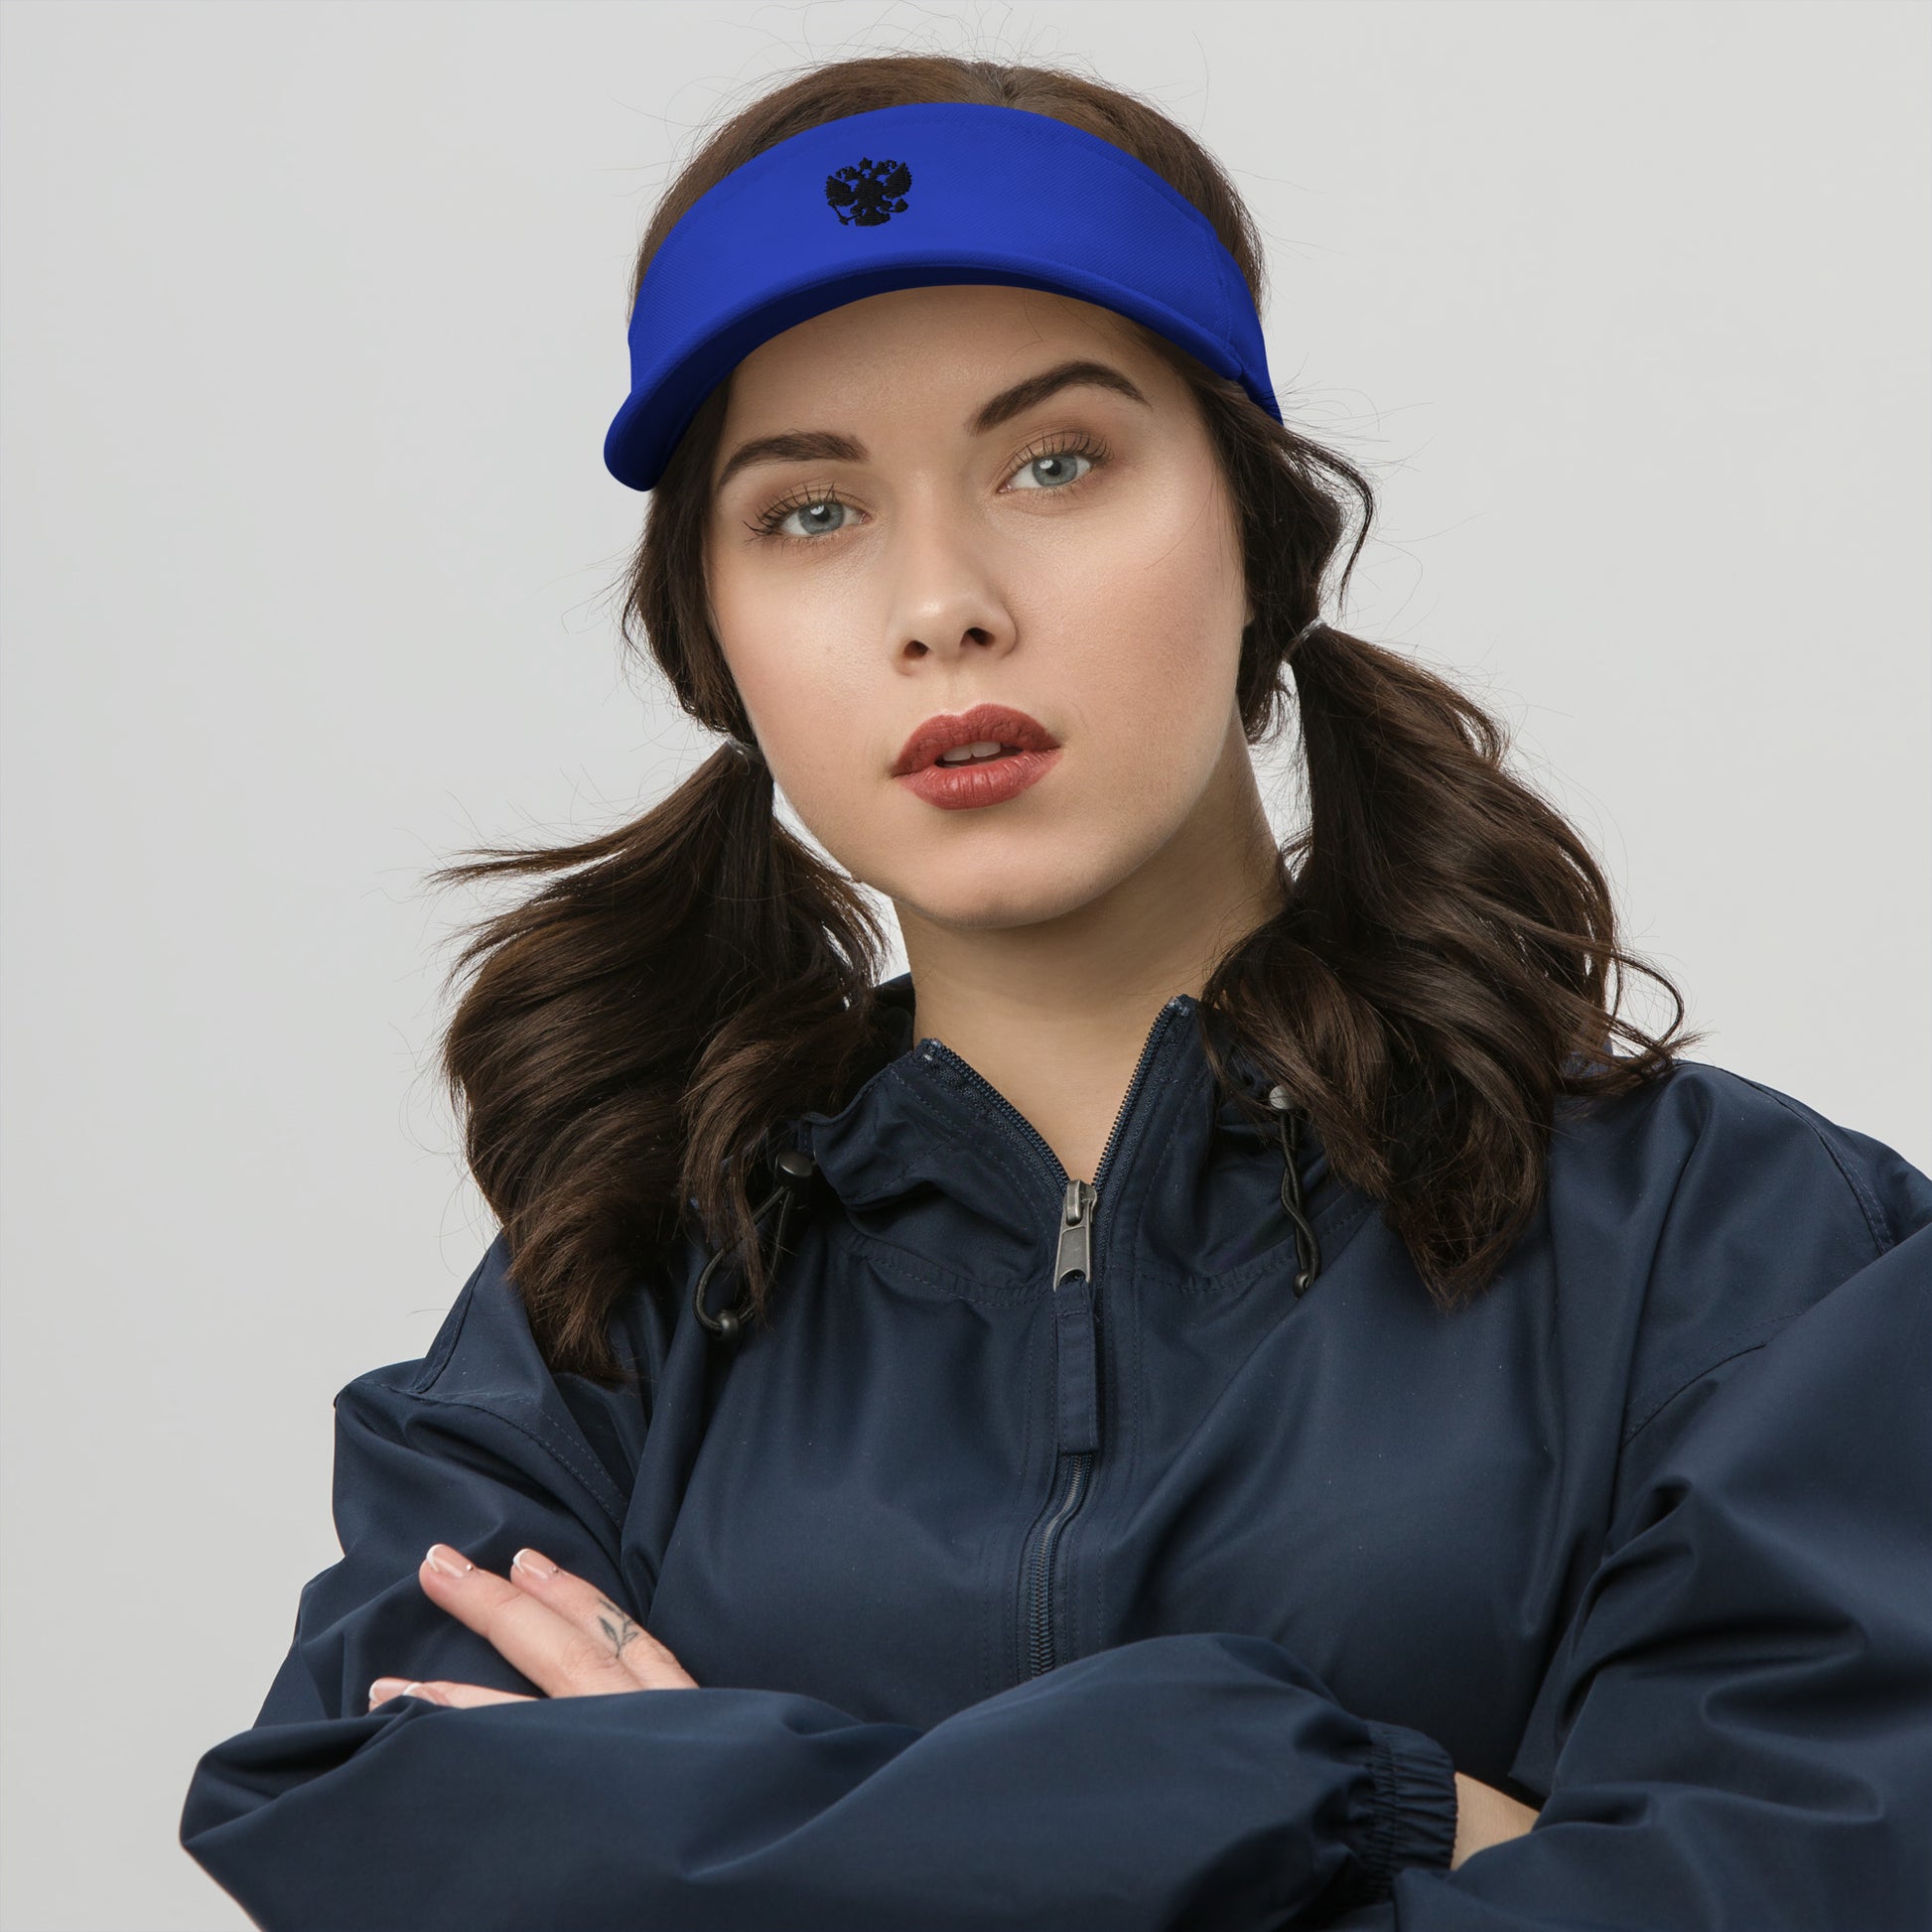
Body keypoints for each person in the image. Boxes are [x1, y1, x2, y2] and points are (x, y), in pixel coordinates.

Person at [179, 54, 1932, 1932]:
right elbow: (365, 1828)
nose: (940, 601)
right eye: (808, 512)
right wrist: (1318, 1786)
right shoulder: (605, 1311)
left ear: (1255, 540)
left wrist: (714, 1827)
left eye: (1054, 462)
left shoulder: (1746, 1260)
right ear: (718, 645)